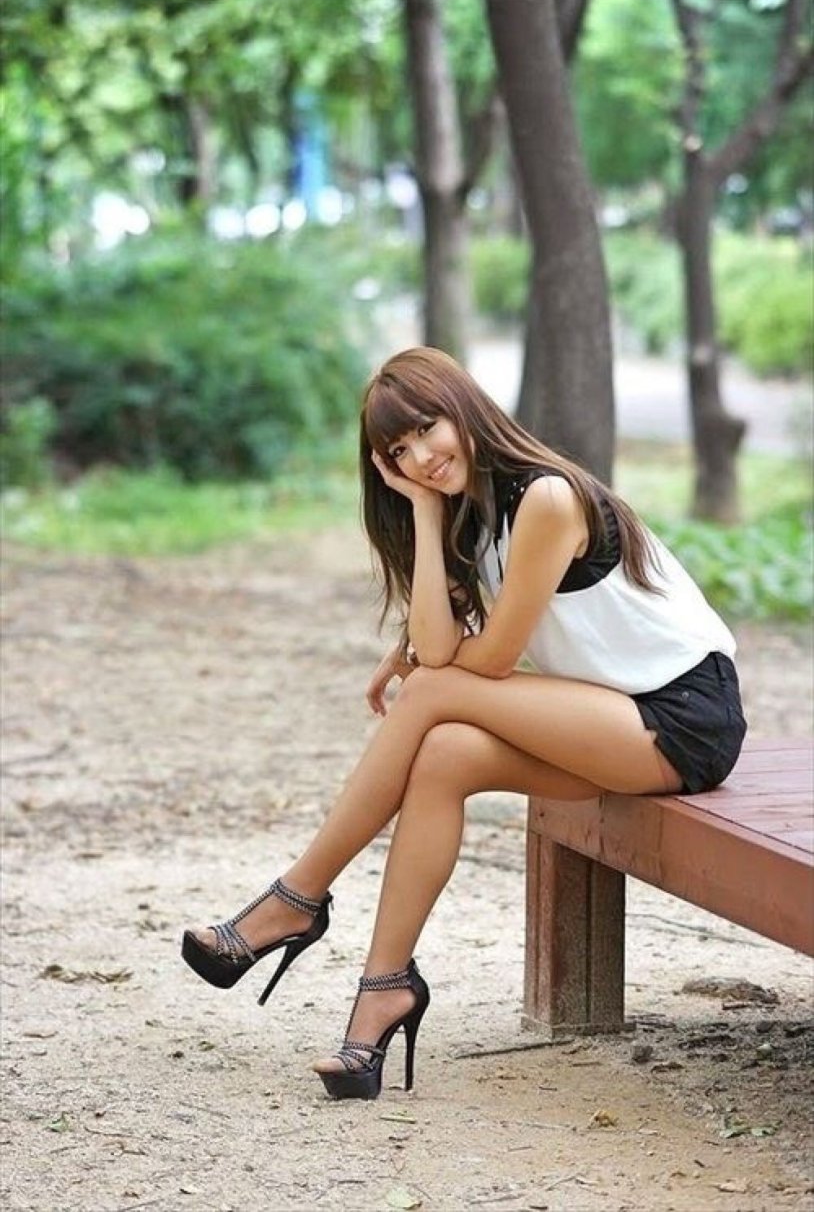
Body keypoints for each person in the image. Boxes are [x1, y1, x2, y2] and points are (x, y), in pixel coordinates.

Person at [181, 346, 747, 1101]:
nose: (420, 457)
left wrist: (426, 665)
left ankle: (296, 898)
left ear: (464, 407)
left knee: (430, 696)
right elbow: (441, 645)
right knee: (445, 752)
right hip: (610, 718)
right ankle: (384, 988)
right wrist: (424, 512)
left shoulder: (546, 498)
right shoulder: (471, 515)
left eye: (427, 428)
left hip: (682, 718)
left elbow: (484, 659)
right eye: (398, 451)